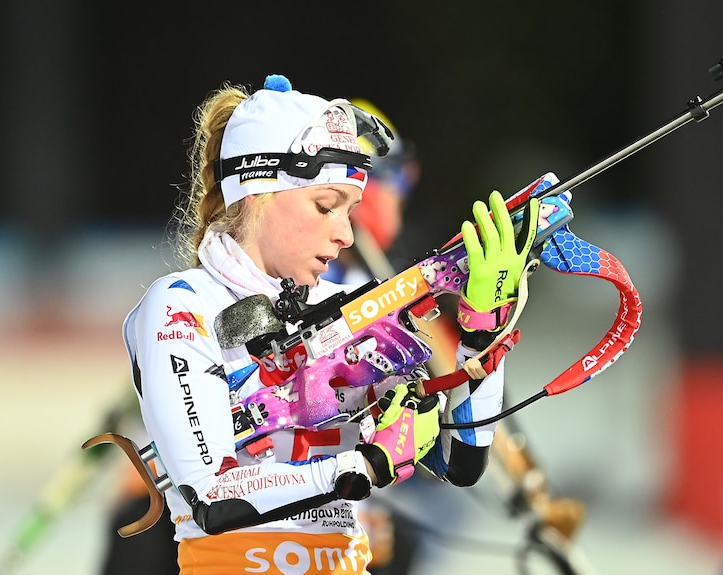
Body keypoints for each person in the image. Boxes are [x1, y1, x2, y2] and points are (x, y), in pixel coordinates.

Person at [120, 72, 538, 574]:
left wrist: (482, 333)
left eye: (352, 209)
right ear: (256, 193)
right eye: (325, 206)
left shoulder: (348, 306)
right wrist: (364, 464)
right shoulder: (182, 306)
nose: (345, 233)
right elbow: (212, 499)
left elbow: (461, 459)